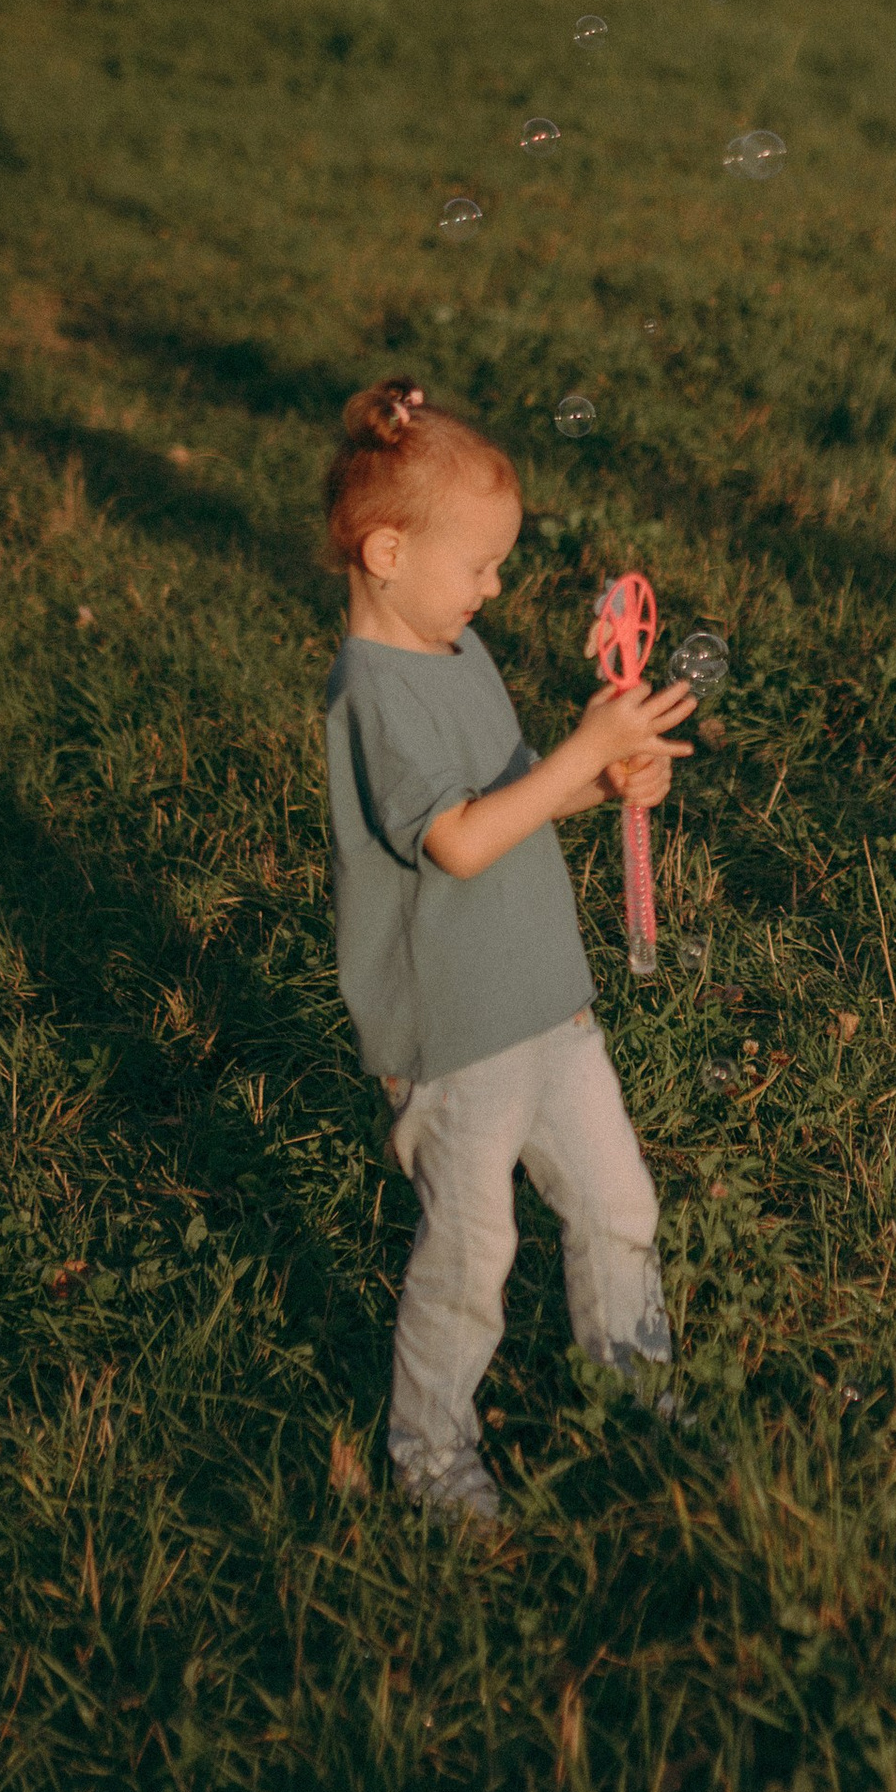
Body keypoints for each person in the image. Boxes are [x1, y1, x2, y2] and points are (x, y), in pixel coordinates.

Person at [320, 380, 698, 1519]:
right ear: (387, 550)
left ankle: (639, 1403)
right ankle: (430, 1456)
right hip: (455, 1035)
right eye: (479, 564)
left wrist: (604, 775)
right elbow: (462, 839)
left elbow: (511, 802)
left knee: (619, 1204)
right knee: (471, 1258)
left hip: (546, 1002)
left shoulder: (453, 648)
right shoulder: (374, 693)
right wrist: (579, 747)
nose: (494, 586)